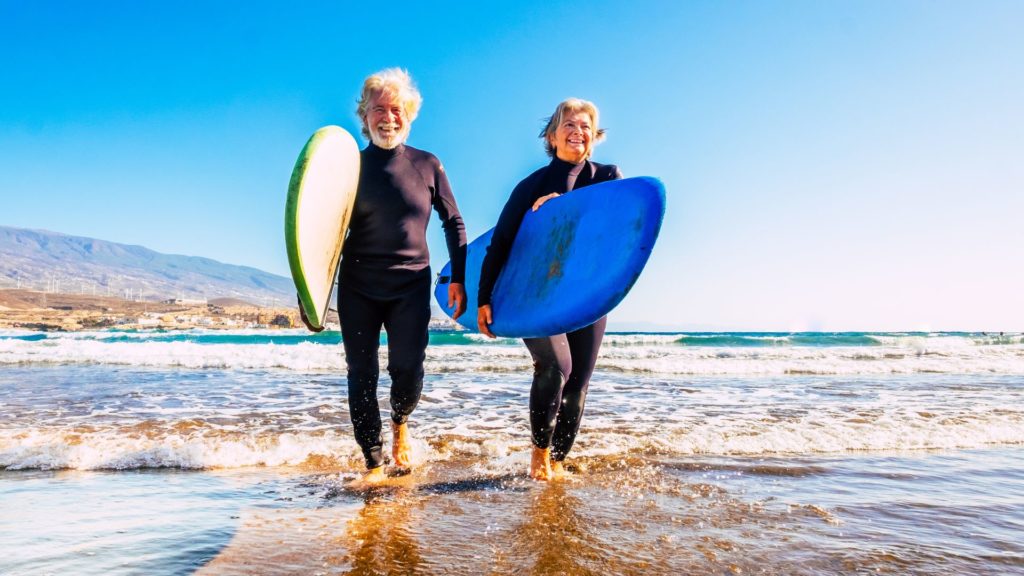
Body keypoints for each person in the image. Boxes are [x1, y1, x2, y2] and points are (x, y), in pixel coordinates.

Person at [306, 68, 467, 486]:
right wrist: (312, 296)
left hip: (411, 285)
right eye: (379, 109)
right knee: (361, 374)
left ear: (409, 114)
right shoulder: (350, 169)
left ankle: (400, 422)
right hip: (359, 284)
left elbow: (453, 222)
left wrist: (460, 279)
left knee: (408, 370)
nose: (388, 118)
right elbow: (321, 233)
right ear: (365, 115)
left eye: (396, 109)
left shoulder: (427, 165)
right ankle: (374, 463)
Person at [477, 98, 621, 481]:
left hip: (586, 293)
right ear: (552, 136)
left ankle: (558, 462)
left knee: (578, 384)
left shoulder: (607, 177)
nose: (578, 131)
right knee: (556, 365)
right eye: (569, 125)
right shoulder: (531, 186)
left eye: (586, 126)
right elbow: (503, 243)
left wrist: (568, 210)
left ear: (595, 136)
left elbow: (615, 233)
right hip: (536, 293)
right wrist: (484, 299)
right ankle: (539, 459)